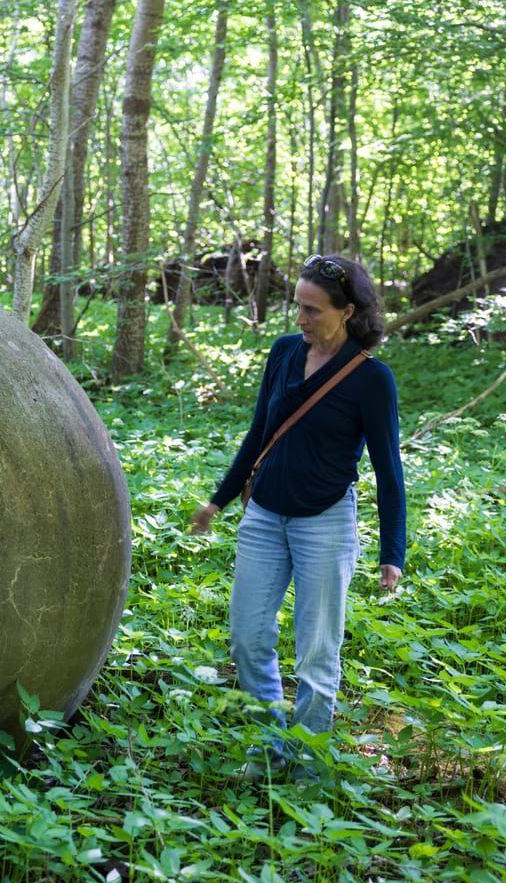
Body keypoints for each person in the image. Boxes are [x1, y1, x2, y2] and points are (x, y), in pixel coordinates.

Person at [189, 253, 406, 783]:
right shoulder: (285, 353)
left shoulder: (371, 380)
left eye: (312, 311)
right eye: (298, 308)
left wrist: (391, 552)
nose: (301, 320)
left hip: (325, 523)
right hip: (264, 515)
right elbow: (259, 431)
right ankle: (270, 748)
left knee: (316, 649)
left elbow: (388, 469)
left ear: (347, 311)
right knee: (247, 637)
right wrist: (219, 499)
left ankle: (308, 761)